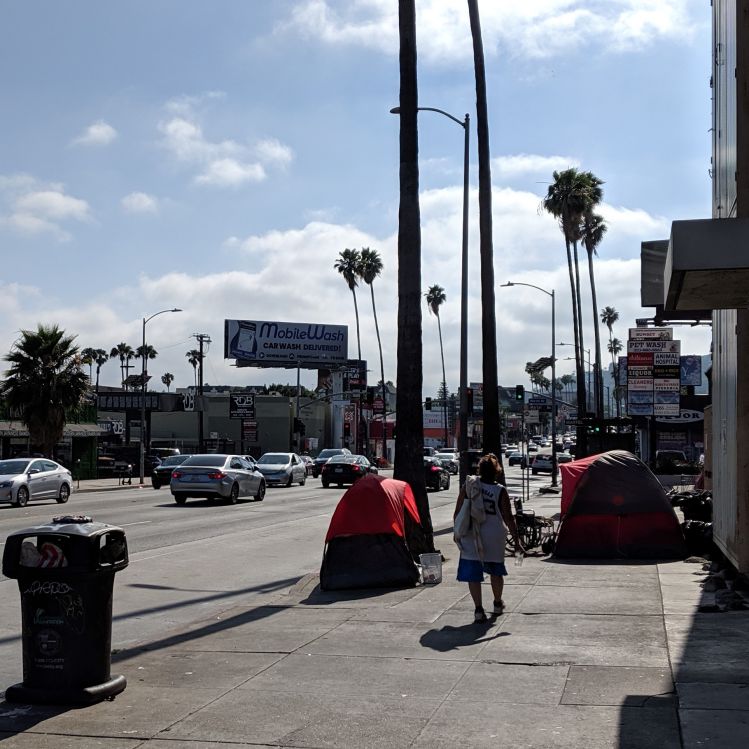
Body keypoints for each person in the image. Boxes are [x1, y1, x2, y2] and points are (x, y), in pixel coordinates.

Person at [453, 453, 524, 623]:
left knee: (473, 573)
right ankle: (497, 603)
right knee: (495, 571)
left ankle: (478, 610)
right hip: (494, 534)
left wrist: (458, 531)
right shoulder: (500, 490)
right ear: (496, 471)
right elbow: (508, 517)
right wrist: (517, 540)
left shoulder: (469, 485)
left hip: (472, 533)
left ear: (480, 469)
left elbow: (458, 511)